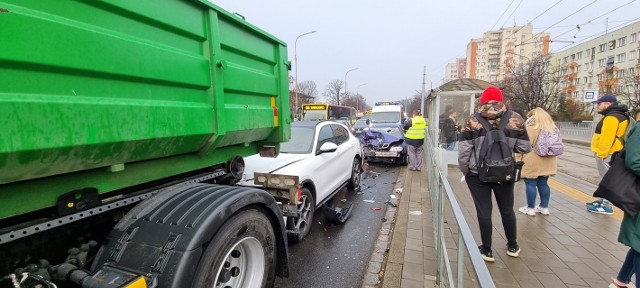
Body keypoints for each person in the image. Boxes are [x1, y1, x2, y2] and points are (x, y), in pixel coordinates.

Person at [458, 86, 531, 262]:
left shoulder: (471, 121)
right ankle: (513, 246)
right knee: (507, 209)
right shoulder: (515, 119)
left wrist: (465, 171)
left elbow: (463, 153)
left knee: (484, 210)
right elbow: (525, 148)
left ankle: (487, 249)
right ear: (501, 100)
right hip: (505, 172)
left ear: (482, 101)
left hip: (477, 174)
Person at [587, 94, 631, 215]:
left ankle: (606, 205)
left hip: (608, 153)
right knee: (606, 177)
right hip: (612, 151)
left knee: (608, 178)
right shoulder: (618, 114)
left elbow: (607, 138)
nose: (597, 106)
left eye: (599, 104)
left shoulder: (612, 117)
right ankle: (603, 200)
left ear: (608, 104)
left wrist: (601, 154)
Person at [517, 108, 558, 216]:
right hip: (549, 160)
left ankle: (530, 208)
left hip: (533, 159)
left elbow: (524, 145)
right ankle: (544, 207)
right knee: (543, 183)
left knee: (530, 183)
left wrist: (517, 158)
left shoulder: (531, 127)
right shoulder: (552, 127)